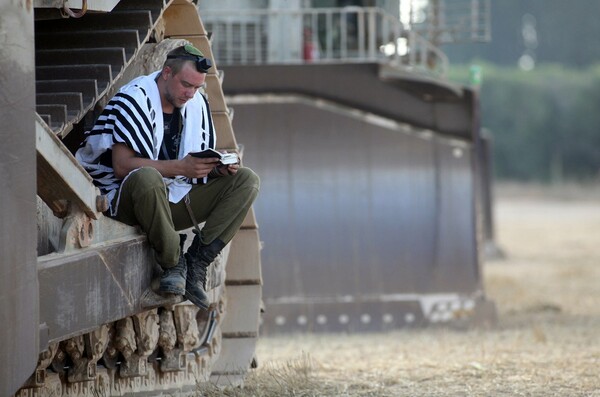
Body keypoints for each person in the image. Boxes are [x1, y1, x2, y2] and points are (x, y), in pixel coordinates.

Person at [76, 43, 260, 310]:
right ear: (166, 73)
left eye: (197, 87)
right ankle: (174, 262)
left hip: (172, 197)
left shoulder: (195, 104)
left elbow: (190, 164)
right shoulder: (134, 99)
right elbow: (122, 167)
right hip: (127, 200)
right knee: (146, 178)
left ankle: (197, 262)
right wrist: (183, 168)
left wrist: (215, 168)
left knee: (246, 180)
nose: (191, 93)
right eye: (186, 84)